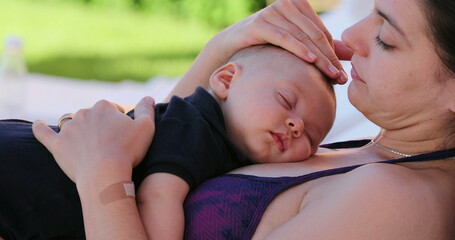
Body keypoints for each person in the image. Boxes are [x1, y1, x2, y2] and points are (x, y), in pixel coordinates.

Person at [8, 0, 455, 238]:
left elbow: (130, 189)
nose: (351, 36)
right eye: (368, 14)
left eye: (385, 38)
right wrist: (228, 46)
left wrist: (100, 175)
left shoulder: (399, 201)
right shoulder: (374, 152)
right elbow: (172, 147)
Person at [0, 45, 336, 239]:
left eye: (311, 135)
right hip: (21, 177)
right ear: (226, 79)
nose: (296, 126)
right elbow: (158, 195)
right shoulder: (198, 128)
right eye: (286, 101)